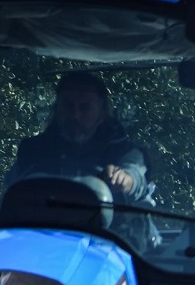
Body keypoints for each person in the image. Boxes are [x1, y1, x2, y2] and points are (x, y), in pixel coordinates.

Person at [8, 71, 149, 204]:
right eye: (68, 105)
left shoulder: (123, 152)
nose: (75, 115)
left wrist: (124, 180)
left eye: (85, 107)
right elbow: (10, 192)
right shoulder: (33, 150)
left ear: (102, 114)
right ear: (56, 109)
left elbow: (134, 175)